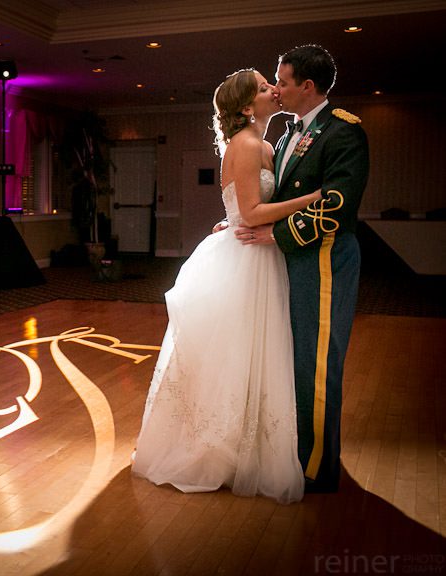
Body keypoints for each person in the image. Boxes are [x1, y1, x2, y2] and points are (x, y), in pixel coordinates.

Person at [131, 69, 321, 504]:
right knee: (238, 354)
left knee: (252, 353)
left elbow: (246, 208)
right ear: (246, 107)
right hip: (247, 258)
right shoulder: (249, 145)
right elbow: (253, 214)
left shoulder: (265, 144)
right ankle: (220, 450)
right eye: (262, 87)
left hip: (259, 254)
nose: (272, 88)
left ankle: (246, 446)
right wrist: (315, 198)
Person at [234, 45, 370, 493]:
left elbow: (337, 204)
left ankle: (315, 468)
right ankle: (290, 453)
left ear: (306, 87)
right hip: (290, 263)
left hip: (324, 261)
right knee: (288, 360)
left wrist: (277, 235)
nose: (276, 88)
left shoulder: (343, 131)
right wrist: (237, 219)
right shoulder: (290, 133)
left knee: (316, 364)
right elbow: (272, 198)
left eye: (283, 81)